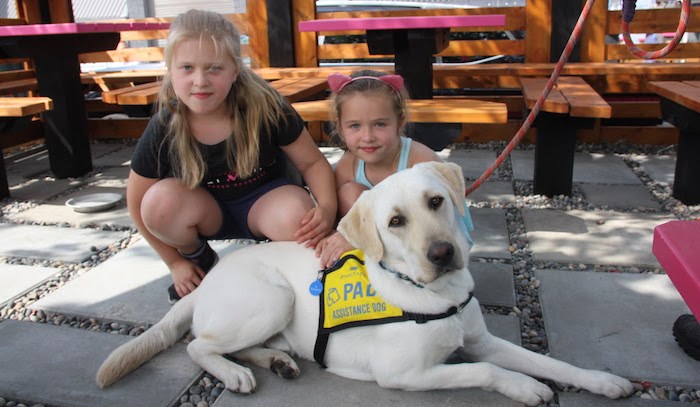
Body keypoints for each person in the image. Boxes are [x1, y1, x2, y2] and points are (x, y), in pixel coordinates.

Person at [127, 9, 337, 303]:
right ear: (170, 70)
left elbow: (312, 162)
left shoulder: (265, 107)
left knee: (298, 217)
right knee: (158, 204)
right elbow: (136, 203)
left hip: (265, 202)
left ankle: (282, 272)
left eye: (214, 68)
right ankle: (199, 260)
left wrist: (326, 208)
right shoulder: (165, 125)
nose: (200, 81)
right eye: (187, 67)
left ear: (236, 69)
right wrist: (174, 262)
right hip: (206, 210)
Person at [315, 70, 473, 268]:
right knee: (348, 194)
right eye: (355, 126)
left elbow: (459, 222)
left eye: (380, 124)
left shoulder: (421, 163)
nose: (367, 136)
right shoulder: (348, 167)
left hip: (431, 249)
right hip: (378, 253)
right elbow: (340, 222)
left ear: (400, 122)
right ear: (340, 126)